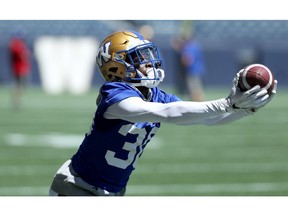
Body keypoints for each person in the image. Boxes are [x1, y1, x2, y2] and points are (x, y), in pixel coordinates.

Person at [49, 30, 277, 196]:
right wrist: (227, 103)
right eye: (138, 59)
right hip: (76, 188)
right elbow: (167, 113)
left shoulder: (153, 93)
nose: (148, 63)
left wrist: (245, 110)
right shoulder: (114, 93)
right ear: (116, 67)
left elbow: (208, 119)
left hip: (111, 193)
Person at [9, 29, 31, 109]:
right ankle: (16, 101)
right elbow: (23, 55)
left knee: (21, 86)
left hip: (22, 68)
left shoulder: (20, 45)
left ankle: (17, 101)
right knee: (18, 86)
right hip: (18, 69)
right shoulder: (15, 45)